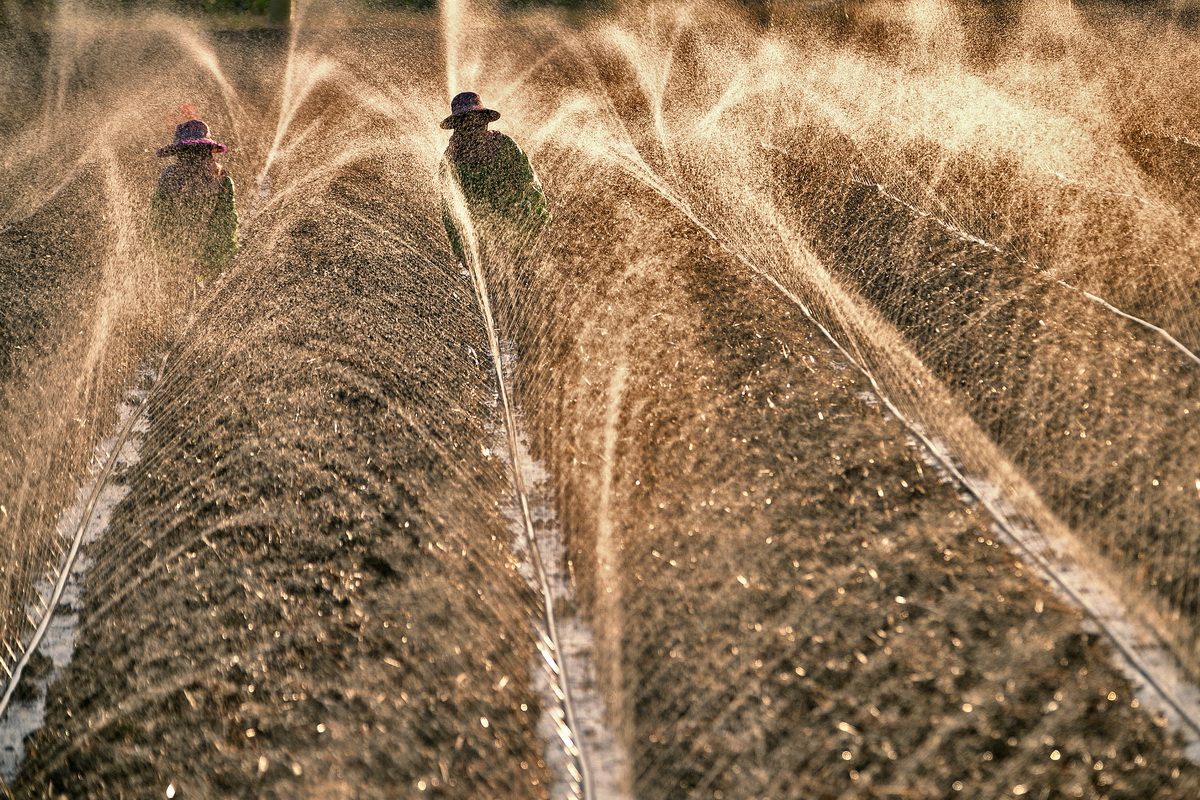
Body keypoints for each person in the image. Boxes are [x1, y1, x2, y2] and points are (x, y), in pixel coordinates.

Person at [439, 92, 549, 264]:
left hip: (518, 234)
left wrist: (540, 219)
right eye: (467, 121)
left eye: (478, 120)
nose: (473, 125)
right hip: (481, 244)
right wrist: (461, 251)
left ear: (485, 121)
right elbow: (450, 211)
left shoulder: (505, 145)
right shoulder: (450, 160)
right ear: (457, 125)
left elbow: (529, 183)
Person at [150, 118, 238, 283]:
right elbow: (226, 224)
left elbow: (157, 220)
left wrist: (162, 256)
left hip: (178, 258)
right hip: (204, 257)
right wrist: (221, 260)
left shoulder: (169, 177)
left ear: (178, 152)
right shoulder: (222, 179)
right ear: (208, 150)